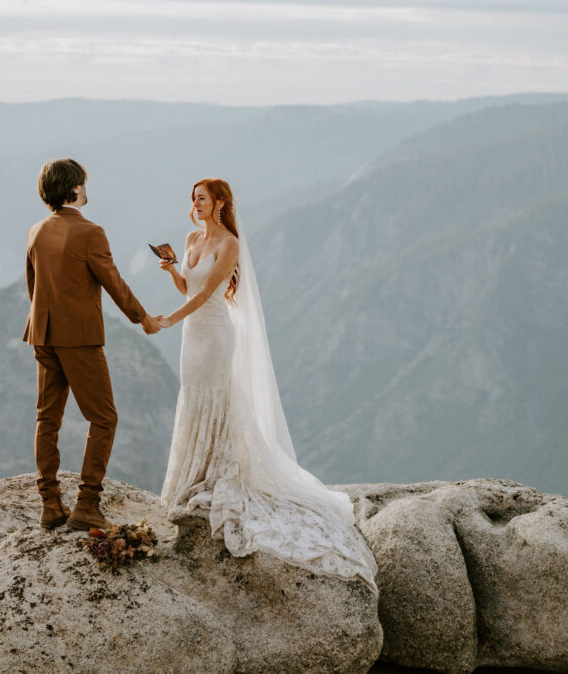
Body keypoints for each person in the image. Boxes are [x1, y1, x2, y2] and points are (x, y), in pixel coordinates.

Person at [156, 178, 379, 591]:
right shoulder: (191, 237)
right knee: (193, 400)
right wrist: (173, 269)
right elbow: (188, 284)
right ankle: (192, 473)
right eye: (193, 198)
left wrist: (169, 318)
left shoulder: (230, 245)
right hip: (193, 338)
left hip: (215, 336)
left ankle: (217, 470)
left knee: (217, 401)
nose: (195, 204)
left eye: (202, 198)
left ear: (220, 203)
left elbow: (206, 294)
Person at [24, 158, 161, 532]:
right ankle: (86, 504)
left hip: (42, 334)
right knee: (104, 418)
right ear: (74, 189)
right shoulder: (90, 233)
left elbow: (33, 287)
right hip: (79, 339)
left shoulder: (36, 230)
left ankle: (50, 504)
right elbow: (114, 283)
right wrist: (143, 318)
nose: (86, 188)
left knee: (47, 417)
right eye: (83, 183)